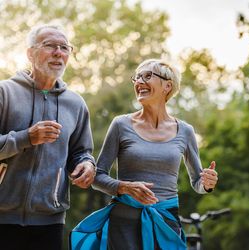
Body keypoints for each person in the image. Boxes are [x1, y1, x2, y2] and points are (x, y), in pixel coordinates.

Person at [70, 59, 218, 250]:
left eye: (148, 76)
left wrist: (207, 184)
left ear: (167, 86)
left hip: (166, 223)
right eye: (137, 77)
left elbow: (198, 182)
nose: (139, 82)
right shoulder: (120, 124)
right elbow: (97, 176)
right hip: (124, 224)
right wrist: (125, 187)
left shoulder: (185, 131)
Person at [0, 24, 96, 250]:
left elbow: (82, 151)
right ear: (30, 53)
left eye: (65, 47)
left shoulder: (76, 104)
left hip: (49, 220)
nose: (58, 52)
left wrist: (86, 164)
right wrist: (26, 138)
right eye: (50, 45)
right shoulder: (5, 93)